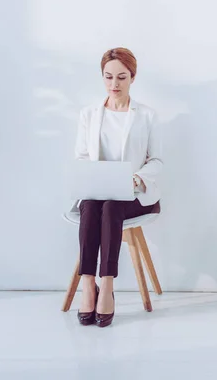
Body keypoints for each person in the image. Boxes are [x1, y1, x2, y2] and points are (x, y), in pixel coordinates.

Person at [74, 47, 162, 327]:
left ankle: (108, 285)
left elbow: (157, 160)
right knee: (90, 206)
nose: (114, 84)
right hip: (97, 190)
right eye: (108, 77)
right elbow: (81, 157)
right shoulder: (89, 114)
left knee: (111, 207)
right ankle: (88, 284)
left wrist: (137, 178)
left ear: (132, 78)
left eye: (121, 78)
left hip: (134, 193)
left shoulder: (146, 115)